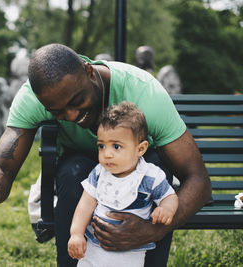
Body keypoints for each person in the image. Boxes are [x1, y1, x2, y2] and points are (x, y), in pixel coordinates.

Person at [0, 43, 211, 267]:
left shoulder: (143, 92)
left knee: (157, 170)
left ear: (89, 72)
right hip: (80, 174)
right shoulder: (34, 97)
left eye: (76, 101)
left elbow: (198, 180)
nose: (72, 116)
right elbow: (3, 167)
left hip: (139, 173)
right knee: (72, 171)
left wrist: (153, 231)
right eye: (58, 111)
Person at [68, 102, 179, 267]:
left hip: (129, 252)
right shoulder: (99, 173)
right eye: (101, 146)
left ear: (140, 149)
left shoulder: (149, 176)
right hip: (94, 248)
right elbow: (86, 203)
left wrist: (166, 208)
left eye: (116, 146)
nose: (107, 154)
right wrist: (76, 233)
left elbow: (170, 196)